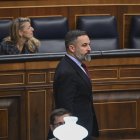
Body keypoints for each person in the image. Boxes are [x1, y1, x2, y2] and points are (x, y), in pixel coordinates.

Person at [53, 30, 99, 140]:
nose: (89, 49)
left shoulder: (75, 65)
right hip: (75, 131)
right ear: (72, 48)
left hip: (83, 126)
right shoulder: (67, 72)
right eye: (84, 45)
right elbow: (65, 107)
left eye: (89, 44)